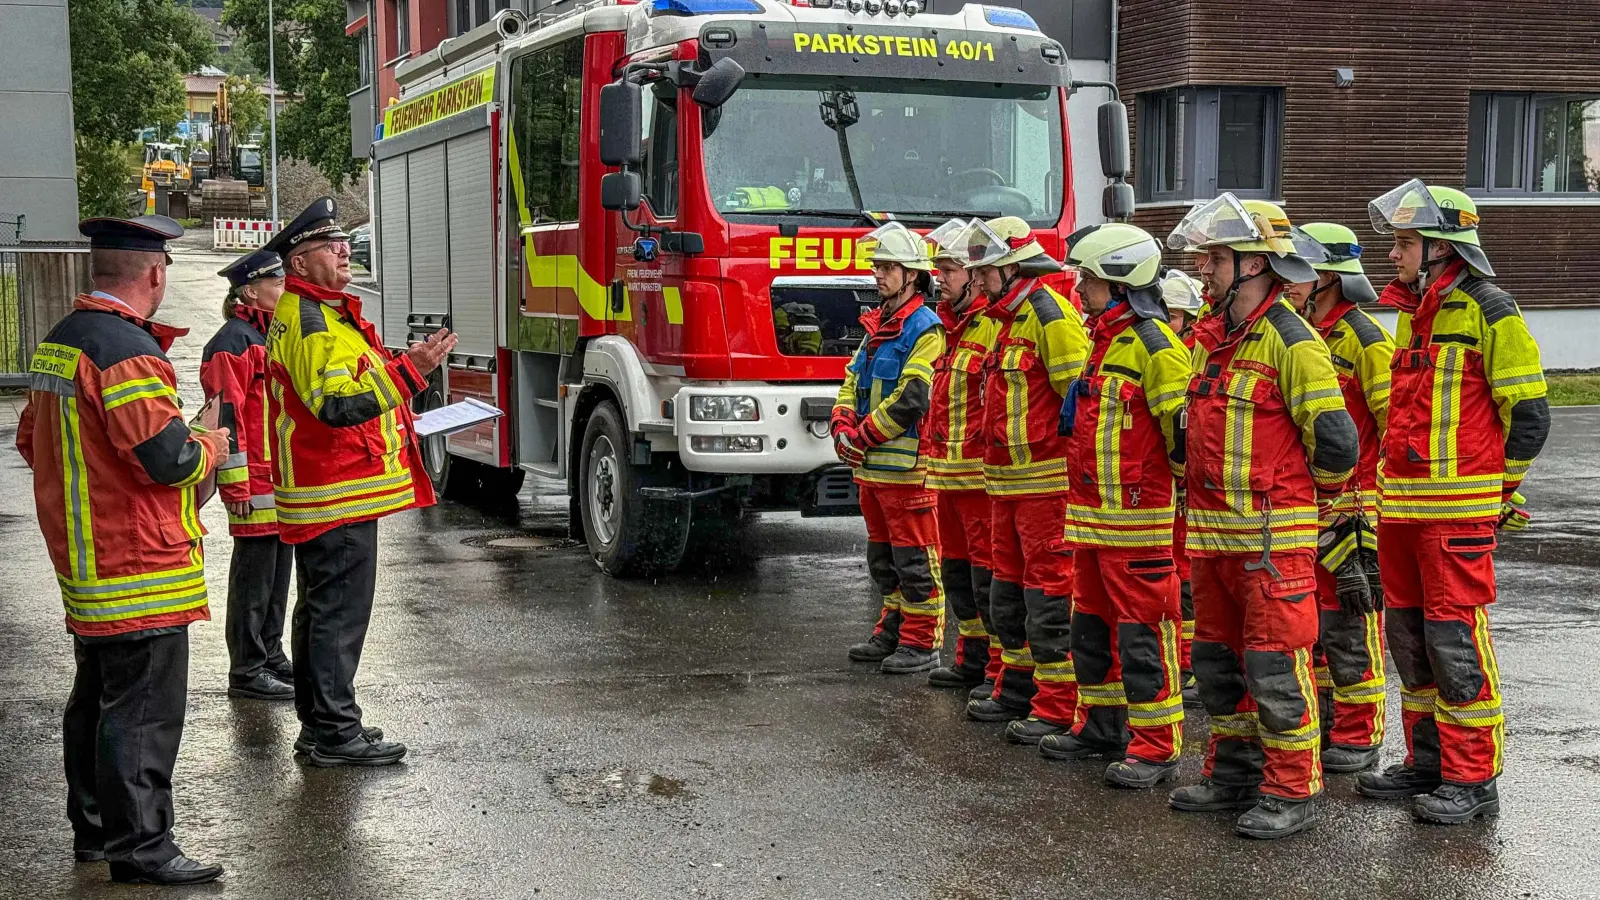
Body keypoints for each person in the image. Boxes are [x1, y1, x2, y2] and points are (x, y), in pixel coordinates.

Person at [17, 215, 230, 884]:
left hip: (86, 561)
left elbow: (30, 441)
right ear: (156, 275)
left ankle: (98, 831)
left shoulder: (63, 340)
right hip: (138, 561)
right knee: (141, 712)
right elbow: (168, 462)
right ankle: (143, 849)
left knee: (97, 702)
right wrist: (211, 445)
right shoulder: (127, 352)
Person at [1164, 194, 1358, 839]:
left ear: (1256, 267)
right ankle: (1234, 773)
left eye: (1216, 257)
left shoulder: (1292, 340)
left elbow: (1336, 442)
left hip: (1273, 544)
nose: (1205, 269)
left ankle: (1291, 786)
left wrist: (1311, 508)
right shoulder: (1208, 339)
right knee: (1218, 664)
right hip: (1216, 540)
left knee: (1275, 666)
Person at [1359, 180, 1549, 823]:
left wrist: (1500, 492)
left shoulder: (1492, 310)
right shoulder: (1418, 313)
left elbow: (1528, 415)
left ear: (1443, 248)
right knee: (1409, 641)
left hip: (1455, 515)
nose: (1394, 255)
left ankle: (1473, 779)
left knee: (1455, 643)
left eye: (1406, 243)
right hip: (1404, 511)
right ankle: (1428, 762)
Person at [265, 197, 455, 766]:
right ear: (299, 264)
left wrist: (401, 374)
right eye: (330, 245)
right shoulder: (312, 320)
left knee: (323, 611)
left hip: (334, 489)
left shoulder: (322, 312)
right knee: (337, 616)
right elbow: (338, 404)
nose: (345, 250)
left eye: (345, 242)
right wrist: (411, 371)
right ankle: (332, 731)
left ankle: (324, 722)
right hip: (335, 491)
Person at [1036, 224, 1191, 789]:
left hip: (1140, 524)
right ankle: (1099, 726)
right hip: (1092, 520)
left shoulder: (1155, 345)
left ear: (1120, 281)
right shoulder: (1103, 339)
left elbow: (1183, 436)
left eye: (1090, 279)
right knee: (1092, 631)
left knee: (1143, 637)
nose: (1079, 288)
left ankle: (1155, 744)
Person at [961, 218, 1089, 746]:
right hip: (1006, 486)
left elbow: (1078, 403)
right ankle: (1017, 689)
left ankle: (1057, 706)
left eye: (986, 270)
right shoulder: (1005, 318)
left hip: (1045, 487)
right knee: (1006, 595)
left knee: (1049, 599)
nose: (979, 279)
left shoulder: (1049, 314)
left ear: (1011, 267)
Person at [1282, 223, 1394, 775]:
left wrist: (1373, 515)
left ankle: (1360, 730)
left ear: (1327, 275)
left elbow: (1394, 426)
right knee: (1319, 623)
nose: (1290, 280)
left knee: (1352, 624)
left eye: (1301, 270)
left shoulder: (1366, 340)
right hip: (1310, 504)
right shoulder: (1299, 333)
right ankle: (1327, 720)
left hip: (1355, 508)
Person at [834, 222, 948, 675]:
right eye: (878, 267)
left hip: (907, 472)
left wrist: (860, 437)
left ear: (913, 275)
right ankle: (893, 630)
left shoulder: (925, 328)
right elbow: (852, 380)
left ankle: (922, 644)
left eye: (888, 268)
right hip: (874, 471)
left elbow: (912, 398)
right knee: (884, 560)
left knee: (915, 560)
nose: (878, 275)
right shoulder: (878, 323)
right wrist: (841, 420)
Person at [201, 249, 295, 701]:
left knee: (277, 576)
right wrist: (234, 483)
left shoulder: (266, 337)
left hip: (278, 479)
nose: (285, 289)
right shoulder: (232, 342)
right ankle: (247, 668)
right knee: (253, 580)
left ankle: (270, 655)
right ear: (250, 291)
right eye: (276, 283)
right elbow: (226, 418)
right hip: (253, 481)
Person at [921, 219, 1004, 692]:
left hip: (980, 481)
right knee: (959, 577)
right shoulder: (948, 327)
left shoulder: (992, 327)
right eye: (939, 269)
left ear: (973, 277)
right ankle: (970, 658)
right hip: (948, 477)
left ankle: (997, 669)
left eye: (949, 270)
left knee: (988, 579)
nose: (940, 277)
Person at [1160, 269, 1207, 708]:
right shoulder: (1176, 351)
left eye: (1172, 315)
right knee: (1177, 574)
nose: (1165, 322)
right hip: (1173, 489)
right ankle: (1181, 661)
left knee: (1188, 577)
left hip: (1190, 490)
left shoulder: (1191, 355)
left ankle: (1190, 666)